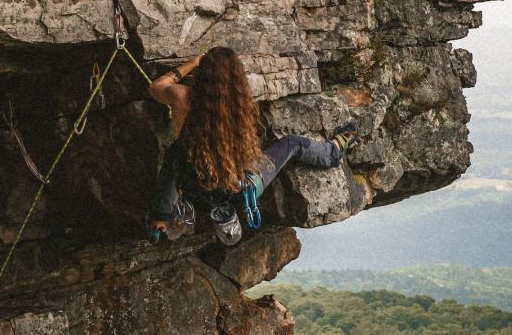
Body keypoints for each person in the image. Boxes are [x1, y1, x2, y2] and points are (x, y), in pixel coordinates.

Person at [146, 47, 357, 245]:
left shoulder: (181, 97)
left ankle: (161, 219)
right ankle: (332, 151)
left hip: (198, 191)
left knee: (176, 155)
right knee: (292, 143)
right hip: (242, 188)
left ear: (203, 74)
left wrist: (191, 63)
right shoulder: (239, 103)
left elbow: (156, 87)